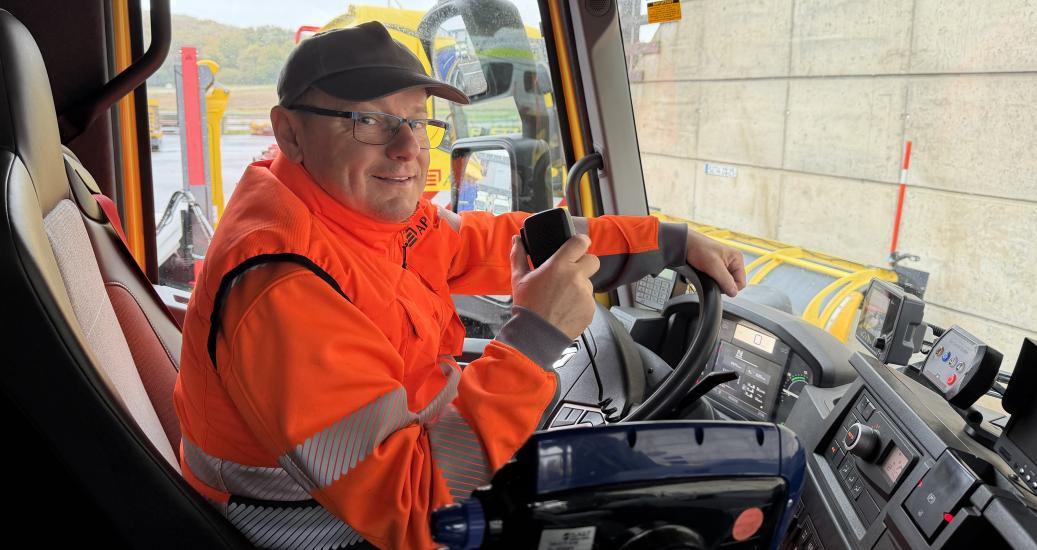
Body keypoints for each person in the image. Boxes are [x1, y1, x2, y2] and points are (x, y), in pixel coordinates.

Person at [173, 21, 746, 550]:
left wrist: (667, 242)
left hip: (397, 468)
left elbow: (500, 241)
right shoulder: (283, 284)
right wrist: (534, 340)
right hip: (319, 525)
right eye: (368, 121)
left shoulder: (363, 215)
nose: (406, 148)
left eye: (417, 121)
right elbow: (414, 512)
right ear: (290, 132)